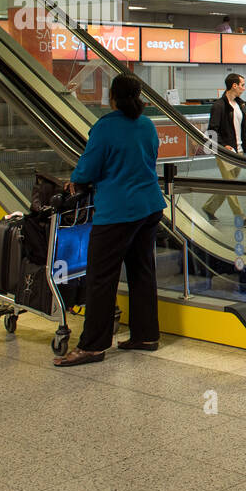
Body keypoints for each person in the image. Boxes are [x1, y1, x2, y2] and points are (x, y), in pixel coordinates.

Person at [56, 73, 165, 366]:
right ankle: (146, 335)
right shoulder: (147, 125)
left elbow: (87, 169)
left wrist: (76, 181)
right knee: (142, 271)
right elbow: (149, 159)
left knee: (101, 278)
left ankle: (93, 346)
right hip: (150, 206)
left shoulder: (105, 127)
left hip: (117, 211)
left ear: (112, 97)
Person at [202, 73, 246, 225]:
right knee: (232, 185)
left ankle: (209, 207)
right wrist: (223, 145)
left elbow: (244, 129)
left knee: (228, 182)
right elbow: (213, 129)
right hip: (225, 151)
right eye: (242, 85)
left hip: (239, 150)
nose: (244, 88)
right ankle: (241, 216)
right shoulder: (219, 106)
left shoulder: (239, 105)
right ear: (234, 85)